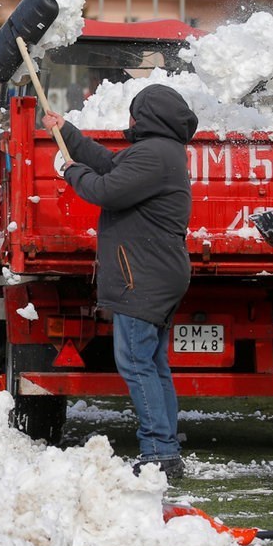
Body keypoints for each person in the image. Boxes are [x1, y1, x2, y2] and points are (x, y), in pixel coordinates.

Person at [42, 85, 199, 483]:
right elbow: (113, 165)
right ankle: (166, 450)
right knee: (153, 364)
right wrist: (69, 134)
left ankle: (158, 453)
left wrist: (70, 170)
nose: (130, 121)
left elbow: (105, 189)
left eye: (135, 114)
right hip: (155, 271)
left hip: (142, 275)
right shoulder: (160, 152)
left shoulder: (154, 154)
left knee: (135, 363)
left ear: (148, 117)